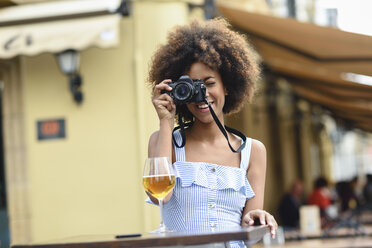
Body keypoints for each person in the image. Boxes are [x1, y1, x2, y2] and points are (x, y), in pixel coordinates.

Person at [146, 18, 277, 247]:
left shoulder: (253, 151)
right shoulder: (163, 140)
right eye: (192, 87)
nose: (201, 94)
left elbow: (250, 222)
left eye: (209, 83)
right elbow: (160, 197)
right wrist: (166, 121)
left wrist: (256, 218)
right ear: (179, 92)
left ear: (227, 86)